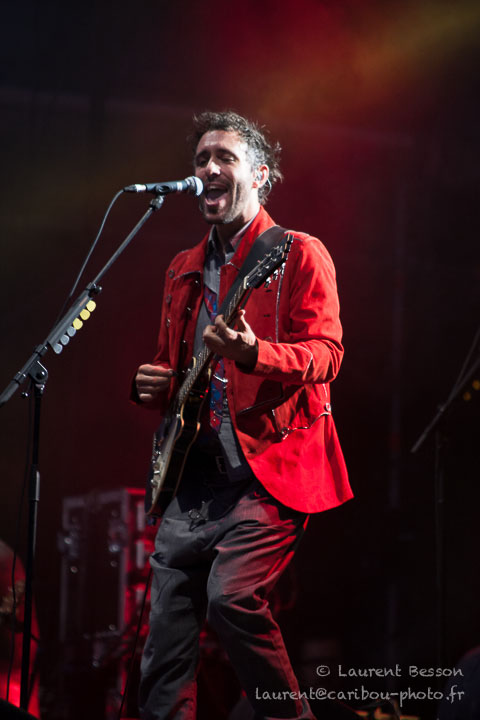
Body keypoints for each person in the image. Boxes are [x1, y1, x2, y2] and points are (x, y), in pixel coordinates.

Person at [134, 110, 353, 720]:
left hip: (267, 471)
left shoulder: (298, 253)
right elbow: (174, 368)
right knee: (162, 652)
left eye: (224, 157)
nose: (208, 168)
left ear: (259, 174)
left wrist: (256, 353)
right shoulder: (181, 267)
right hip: (193, 481)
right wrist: (152, 383)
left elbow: (328, 354)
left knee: (231, 599)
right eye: (201, 158)